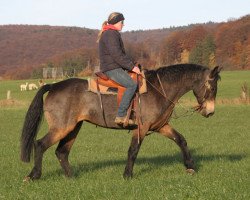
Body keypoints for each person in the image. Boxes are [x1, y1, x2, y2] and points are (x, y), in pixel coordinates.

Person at [97, 12, 140, 125]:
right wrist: (132, 67)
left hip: (113, 66)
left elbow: (121, 54)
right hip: (112, 68)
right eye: (122, 22)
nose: (123, 24)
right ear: (116, 22)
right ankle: (120, 115)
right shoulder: (111, 34)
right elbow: (117, 55)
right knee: (132, 85)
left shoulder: (111, 33)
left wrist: (132, 64)